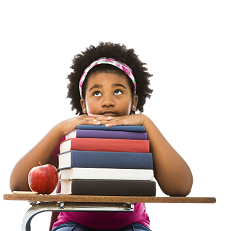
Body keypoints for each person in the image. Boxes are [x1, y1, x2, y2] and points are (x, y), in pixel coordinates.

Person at [10, 42, 193, 231]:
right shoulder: (71, 139)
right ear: (83, 104)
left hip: (131, 225)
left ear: (134, 101)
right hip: (74, 225)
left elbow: (180, 188)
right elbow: (18, 183)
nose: (107, 102)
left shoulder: (143, 139)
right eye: (96, 93)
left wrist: (146, 122)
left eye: (118, 91)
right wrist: (58, 129)